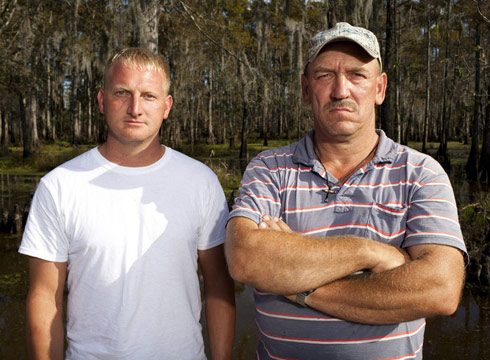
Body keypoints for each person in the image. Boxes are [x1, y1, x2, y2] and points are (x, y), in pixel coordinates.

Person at [225, 22, 466, 360]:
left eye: (357, 75)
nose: (341, 90)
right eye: (325, 76)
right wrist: (371, 253)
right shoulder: (270, 169)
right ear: (307, 89)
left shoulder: (420, 173)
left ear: (379, 89)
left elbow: (439, 289)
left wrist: (300, 288)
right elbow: (245, 257)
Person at [19, 48, 235, 359]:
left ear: (166, 106)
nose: (135, 108)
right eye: (122, 93)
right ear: (101, 100)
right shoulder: (59, 185)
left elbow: (219, 288)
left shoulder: (200, 182)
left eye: (148, 96)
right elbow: (44, 297)